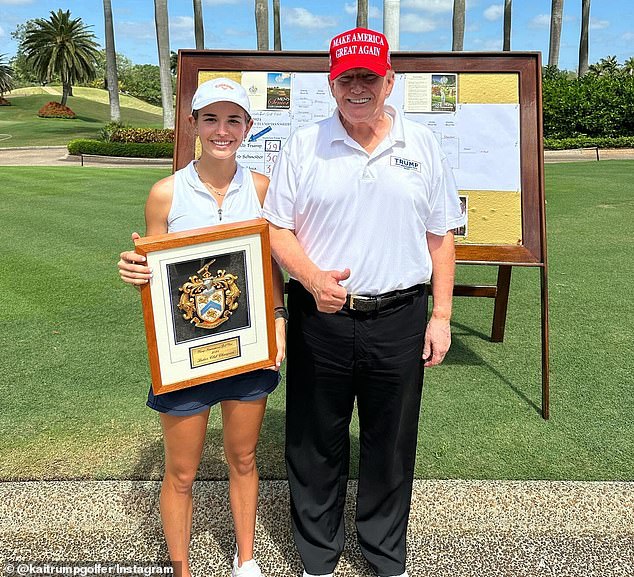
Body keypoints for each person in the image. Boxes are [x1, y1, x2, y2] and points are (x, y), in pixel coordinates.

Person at [263, 28, 465, 577]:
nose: (357, 88)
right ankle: (317, 558)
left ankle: (382, 555)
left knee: (391, 444)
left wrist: (441, 316)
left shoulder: (422, 145)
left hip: (400, 316)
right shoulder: (304, 145)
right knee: (314, 441)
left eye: (368, 78)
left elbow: (441, 236)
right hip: (320, 318)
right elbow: (278, 229)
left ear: (389, 82)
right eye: (346, 77)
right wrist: (310, 278)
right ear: (331, 84)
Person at [117, 78, 287, 577]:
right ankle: (181, 569)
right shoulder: (165, 194)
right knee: (184, 471)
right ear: (191, 124)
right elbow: (155, 274)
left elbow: (271, 269)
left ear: (248, 128)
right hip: (185, 353)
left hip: (246, 348)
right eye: (210, 118)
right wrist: (135, 272)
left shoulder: (261, 189)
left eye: (233, 119)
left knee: (243, 458)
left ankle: (246, 559)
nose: (221, 130)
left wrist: (277, 321)